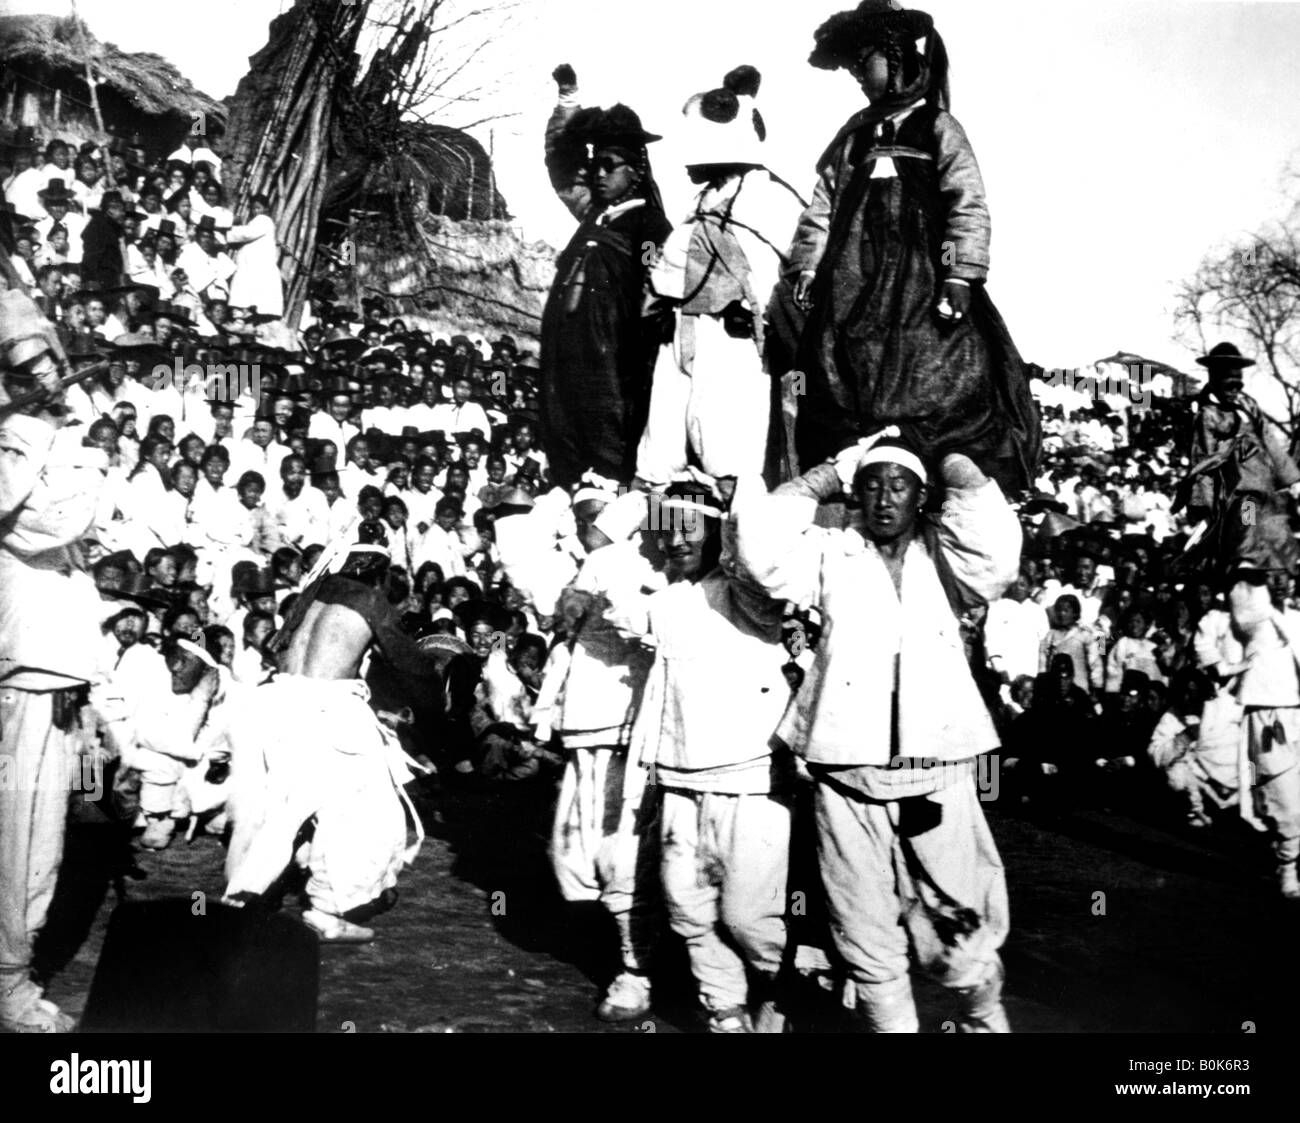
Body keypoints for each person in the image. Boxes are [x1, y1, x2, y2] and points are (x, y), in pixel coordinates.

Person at [733, 428, 1020, 1032]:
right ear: (857, 494)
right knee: (862, 925)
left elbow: (997, 554)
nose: (885, 498)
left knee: (958, 922)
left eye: (900, 486)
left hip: (936, 766)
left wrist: (955, 463)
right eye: (872, 486)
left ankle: (982, 1018)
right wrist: (821, 479)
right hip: (846, 765)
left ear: (921, 496)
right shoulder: (831, 553)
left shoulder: (946, 559)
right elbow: (759, 549)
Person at [787, 1, 1038, 492]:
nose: (859, 75)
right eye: (854, 66)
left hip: (925, 275)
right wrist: (809, 268)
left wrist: (958, 273)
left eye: (866, 63)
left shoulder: (938, 128)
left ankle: (937, 468)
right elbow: (823, 206)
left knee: (944, 365)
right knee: (842, 365)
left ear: (898, 57)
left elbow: (965, 203)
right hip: (853, 277)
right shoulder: (852, 138)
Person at [599, 480, 792, 1032]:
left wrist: (737, 504)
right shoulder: (668, 601)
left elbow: (760, 557)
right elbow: (615, 596)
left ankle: (786, 993)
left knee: (750, 917)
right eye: (670, 525)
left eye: (692, 524)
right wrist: (641, 499)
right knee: (689, 909)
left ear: (720, 532)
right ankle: (724, 1010)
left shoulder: (749, 593)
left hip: (752, 780)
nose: (679, 537)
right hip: (679, 777)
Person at [224, 541, 441, 939]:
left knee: (284, 811)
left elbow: (281, 649)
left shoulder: (312, 594)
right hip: (327, 710)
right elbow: (409, 662)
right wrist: (435, 704)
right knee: (371, 812)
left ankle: (240, 896)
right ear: (377, 572)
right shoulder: (370, 598)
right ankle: (327, 908)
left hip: (278, 703)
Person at [0, 290, 109, 1032]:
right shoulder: (19, 440)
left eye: (50, 363)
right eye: (27, 369)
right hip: (23, 659)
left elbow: (80, 517)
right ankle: (7, 983)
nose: (49, 378)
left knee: (42, 827)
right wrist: (38, 430)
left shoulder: (45, 438)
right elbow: (53, 520)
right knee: (21, 827)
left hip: (52, 661)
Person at [635, 67, 805, 494]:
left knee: (728, 460)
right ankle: (660, 547)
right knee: (661, 458)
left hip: (734, 342)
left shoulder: (769, 196)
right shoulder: (701, 200)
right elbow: (671, 264)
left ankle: (731, 549)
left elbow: (805, 262)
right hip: (679, 335)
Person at [539, 67, 672, 488]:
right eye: (596, 165)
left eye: (609, 166)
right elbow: (562, 166)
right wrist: (567, 102)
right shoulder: (593, 214)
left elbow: (657, 282)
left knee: (606, 447)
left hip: (612, 362)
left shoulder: (648, 227)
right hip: (568, 353)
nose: (597, 174)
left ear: (634, 172)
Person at [1179, 342, 1300, 580]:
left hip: (1266, 487)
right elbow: (1202, 459)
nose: (1235, 389)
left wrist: (1294, 480)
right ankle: (1244, 565)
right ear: (1215, 378)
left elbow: (1270, 442)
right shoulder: (1207, 415)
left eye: (1239, 382)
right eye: (1229, 382)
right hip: (1239, 493)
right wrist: (1202, 504)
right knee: (1248, 527)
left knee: (1280, 531)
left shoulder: (1248, 405)